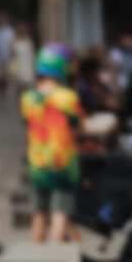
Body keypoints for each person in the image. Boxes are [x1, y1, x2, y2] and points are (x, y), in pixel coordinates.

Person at [20, 45, 84, 245]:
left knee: (38, 211)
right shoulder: (67, 97)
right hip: (62, 162)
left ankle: (38, 251)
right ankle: (56, 255)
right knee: (59, 210)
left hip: (36, 161)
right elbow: (79, 126)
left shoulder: (27, 98)